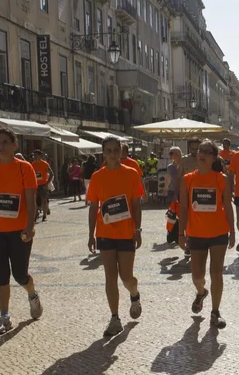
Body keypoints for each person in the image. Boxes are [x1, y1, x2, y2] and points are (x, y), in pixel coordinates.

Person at [0, 128, 43, 334]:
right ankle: (5, 316)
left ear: (15, 145)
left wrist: (30, 225)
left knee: (20, 275)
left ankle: (32, 293)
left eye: (5, 142)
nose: (1, 146)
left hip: (19, 230)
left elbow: (31, 200)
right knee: (1, 275)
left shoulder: (25, 169)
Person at [87, 136, 144, 337]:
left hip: (126, 232)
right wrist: (90, 234)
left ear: (121, 151)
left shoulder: (131, 174)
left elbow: (136, 204)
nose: (112, 153)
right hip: (105, 233)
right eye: (108, 150)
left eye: (115, 149)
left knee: (126, 276)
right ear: (103, 153)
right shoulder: (97, 177)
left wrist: (138, 229)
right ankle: (114, 318)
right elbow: (94, 206)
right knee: (110, 276)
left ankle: (134, 294)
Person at [178, 139, 235, 329]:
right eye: (199, 151)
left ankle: (215, 312)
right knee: (197, 276)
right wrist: (181, 233)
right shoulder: (188, 179)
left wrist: (233, 230)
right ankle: (201, 292)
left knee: (216, 272)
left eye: (206, 152)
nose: (201, 154)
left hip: (219, 232)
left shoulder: (221, 179)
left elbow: (227, 205)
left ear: (213, 157)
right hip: (196, 233)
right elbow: (184, 208)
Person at [177, 138, 201, 257]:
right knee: (186, 219)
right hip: (187, 194)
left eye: (197, 148)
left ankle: (197, 241)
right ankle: (188, 243)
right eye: (192, 148)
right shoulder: (184, 160)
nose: (194, 151)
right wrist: (176, 192)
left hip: (201, 195)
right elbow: (179, 177)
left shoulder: (203, 160)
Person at [31, 150, 54, 221]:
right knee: (34, 201)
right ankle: (35, 215)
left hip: (43, 185)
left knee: (44, 200)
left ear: (40, 156)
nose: (35, 156)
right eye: (34, 155)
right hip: (35, 185)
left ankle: (44, 216)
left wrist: (47, 183)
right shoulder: (32, 164)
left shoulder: (45, 164)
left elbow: (51, 173)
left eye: (36, 155)